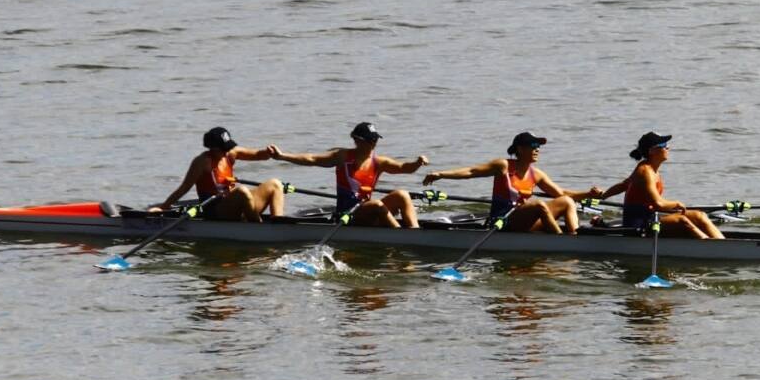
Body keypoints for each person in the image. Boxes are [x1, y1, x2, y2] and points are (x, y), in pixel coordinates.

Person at [421, 131, 601, 234]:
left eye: (539, 146)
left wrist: (588, 194)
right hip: (502, 221)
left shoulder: (536, 174)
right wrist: (440, 174)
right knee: (538, 204)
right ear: (520, 149)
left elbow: (561, 194)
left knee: (567, 202)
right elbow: (471, 171)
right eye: (533, 146)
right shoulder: (503, 166)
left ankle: (575, 236)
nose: (537, 149)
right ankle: (562, 243)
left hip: (524, 220)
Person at [268, 122, 428, 228]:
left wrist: (417, 163)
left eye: (376, 139)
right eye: (371, 140)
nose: (375, 143)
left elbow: (404, 168)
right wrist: (282, 156)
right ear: (358, 141)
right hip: (347, 215)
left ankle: (414, 232)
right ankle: (400, 237)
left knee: (402, 195)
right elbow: (312, 159)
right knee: (378, 205)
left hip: (366, 210)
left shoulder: (379, 162)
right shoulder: (342, 157)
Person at [599, 132, 723, 239]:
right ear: (652, 151)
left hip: (650, 217)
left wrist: (603, 195)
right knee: (682, 220)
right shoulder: (644, 171)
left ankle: (721, 242)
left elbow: (623, 185)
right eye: (663, 145)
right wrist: (677, 204)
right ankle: (711, 247)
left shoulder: (650, 168)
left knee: (699, 215)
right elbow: (659, 204)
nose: (668, 148)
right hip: (638, 224)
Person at [154, 127, 285, 221]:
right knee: (242, 191)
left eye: (228, 147)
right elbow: (184, 188)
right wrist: (163, 207)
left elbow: (258, 155)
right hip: (215, 210)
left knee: (275, 184)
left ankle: (278, 223)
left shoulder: (231, 153)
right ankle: (259, 228)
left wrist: (269, 153)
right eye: (224, 149)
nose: (228, 151)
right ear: (213, 148)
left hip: (234, 205)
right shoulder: (202, 162)